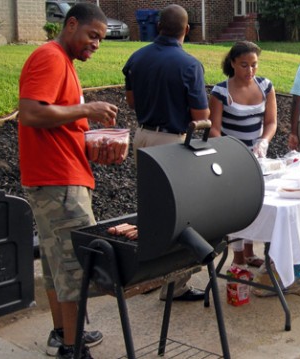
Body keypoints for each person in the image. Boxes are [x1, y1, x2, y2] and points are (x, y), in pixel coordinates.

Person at [18, 3, 116, 358]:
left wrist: (93, 145)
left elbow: (57, 122)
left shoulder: (64, 62)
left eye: (101, 40)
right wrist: (89, 109)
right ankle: (73, 350)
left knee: (56, 263)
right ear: (70, 24)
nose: (96, 44)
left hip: (57, 177)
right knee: (77, 266)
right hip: (58, 182)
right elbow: (29, 113)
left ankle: (63, 335)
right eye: (92, 35)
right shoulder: (51, 57)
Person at [122, 4, 209, 302]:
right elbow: (201, 112)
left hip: (142, 136)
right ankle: (175, 285)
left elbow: (131, 101)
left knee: (149, 209)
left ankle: (146, 276)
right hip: (172, 141)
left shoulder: (136, 57)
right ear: (186, 30)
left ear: (158, 27)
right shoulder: (189, 64)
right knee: (181, 215)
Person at [209, 41, 277, 267]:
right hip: (231, 156)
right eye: (244, 65)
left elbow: (271, 122)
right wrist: (227, 151)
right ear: (232, 63)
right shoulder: (221, 91)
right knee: (236, 207)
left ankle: (250, 250)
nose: (250, 71)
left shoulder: (266, 86)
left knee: (255, 204)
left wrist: (263, 141)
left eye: (254, 65)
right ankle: (237, 254)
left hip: (256, 156)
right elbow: (214, 128)